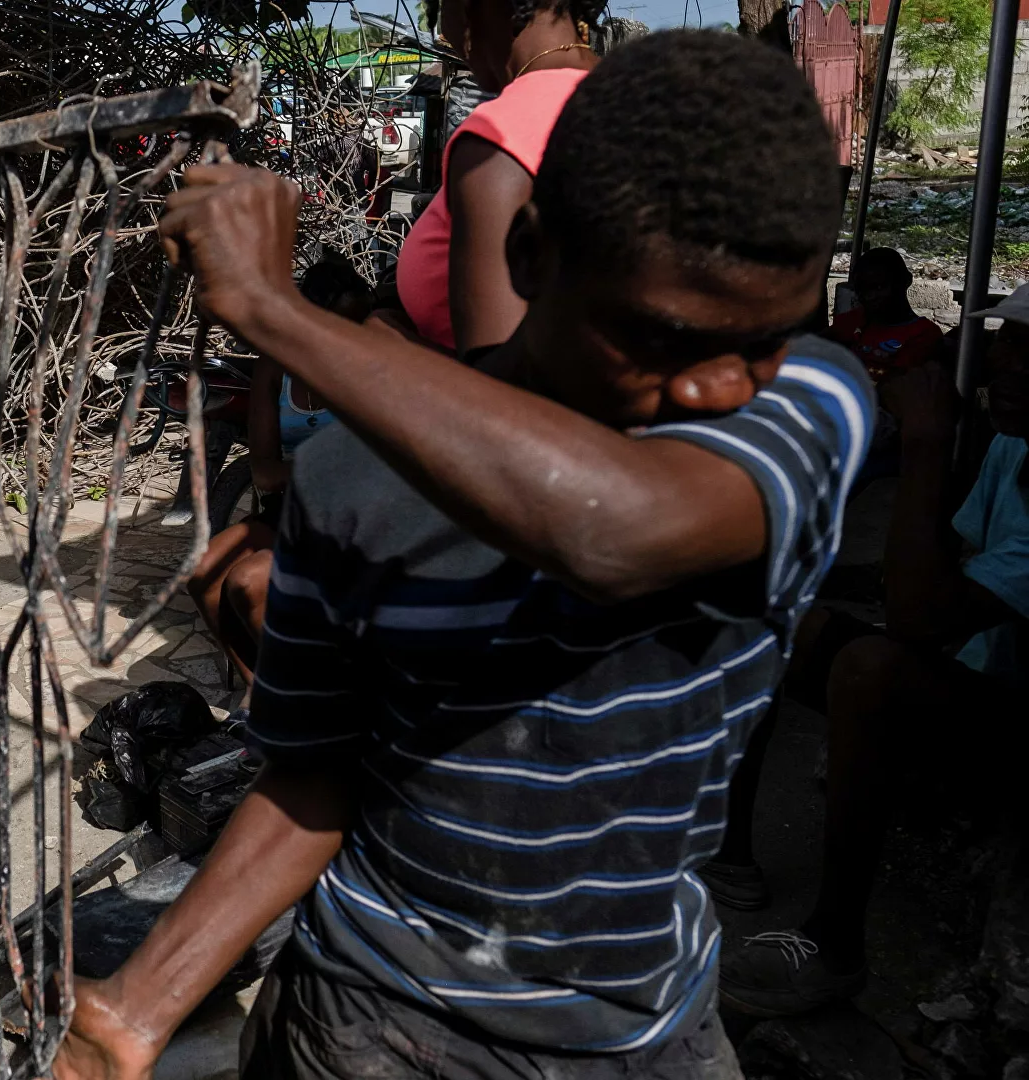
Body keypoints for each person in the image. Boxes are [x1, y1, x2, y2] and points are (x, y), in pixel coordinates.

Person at [56, 31, 859, 1079]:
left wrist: (273, 308)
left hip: (637, 1034)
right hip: (364, 1024)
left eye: (765, 340)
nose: (723, 388)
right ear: (530, 256)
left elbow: (610, 533)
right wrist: (133, 1011)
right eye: (662, 339)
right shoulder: (356, 484)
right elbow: (318, 776)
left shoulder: (809, 406)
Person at [717, 293, 1029, 1018]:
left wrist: (924, 446)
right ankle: (728, 850)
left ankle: (835, 943)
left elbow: (920, 621)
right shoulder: (1015, 444)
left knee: (872, 675)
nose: (1007, 365)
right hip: (978, 672)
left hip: (1010, 714)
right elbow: (941, 575)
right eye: (1008, 343)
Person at [187, 254, 363, 688]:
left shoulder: (366, 370)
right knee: (203, 577)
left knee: (248, 581)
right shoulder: (275, 369)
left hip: (355, 519)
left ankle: (300, 700)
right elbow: (264, 472)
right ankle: (259, 693)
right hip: (292, 507)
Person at [393, 0, 602, 357]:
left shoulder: (499, 138)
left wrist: (386, 335)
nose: (444, 31)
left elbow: (494, 375)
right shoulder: (628, 95)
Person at [826, 247, 944, 384]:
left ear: (905, 281)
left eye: (879, 287)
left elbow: (898, 385)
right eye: (861, 289)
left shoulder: (923, 334)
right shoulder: (857, 319)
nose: (869, 296)